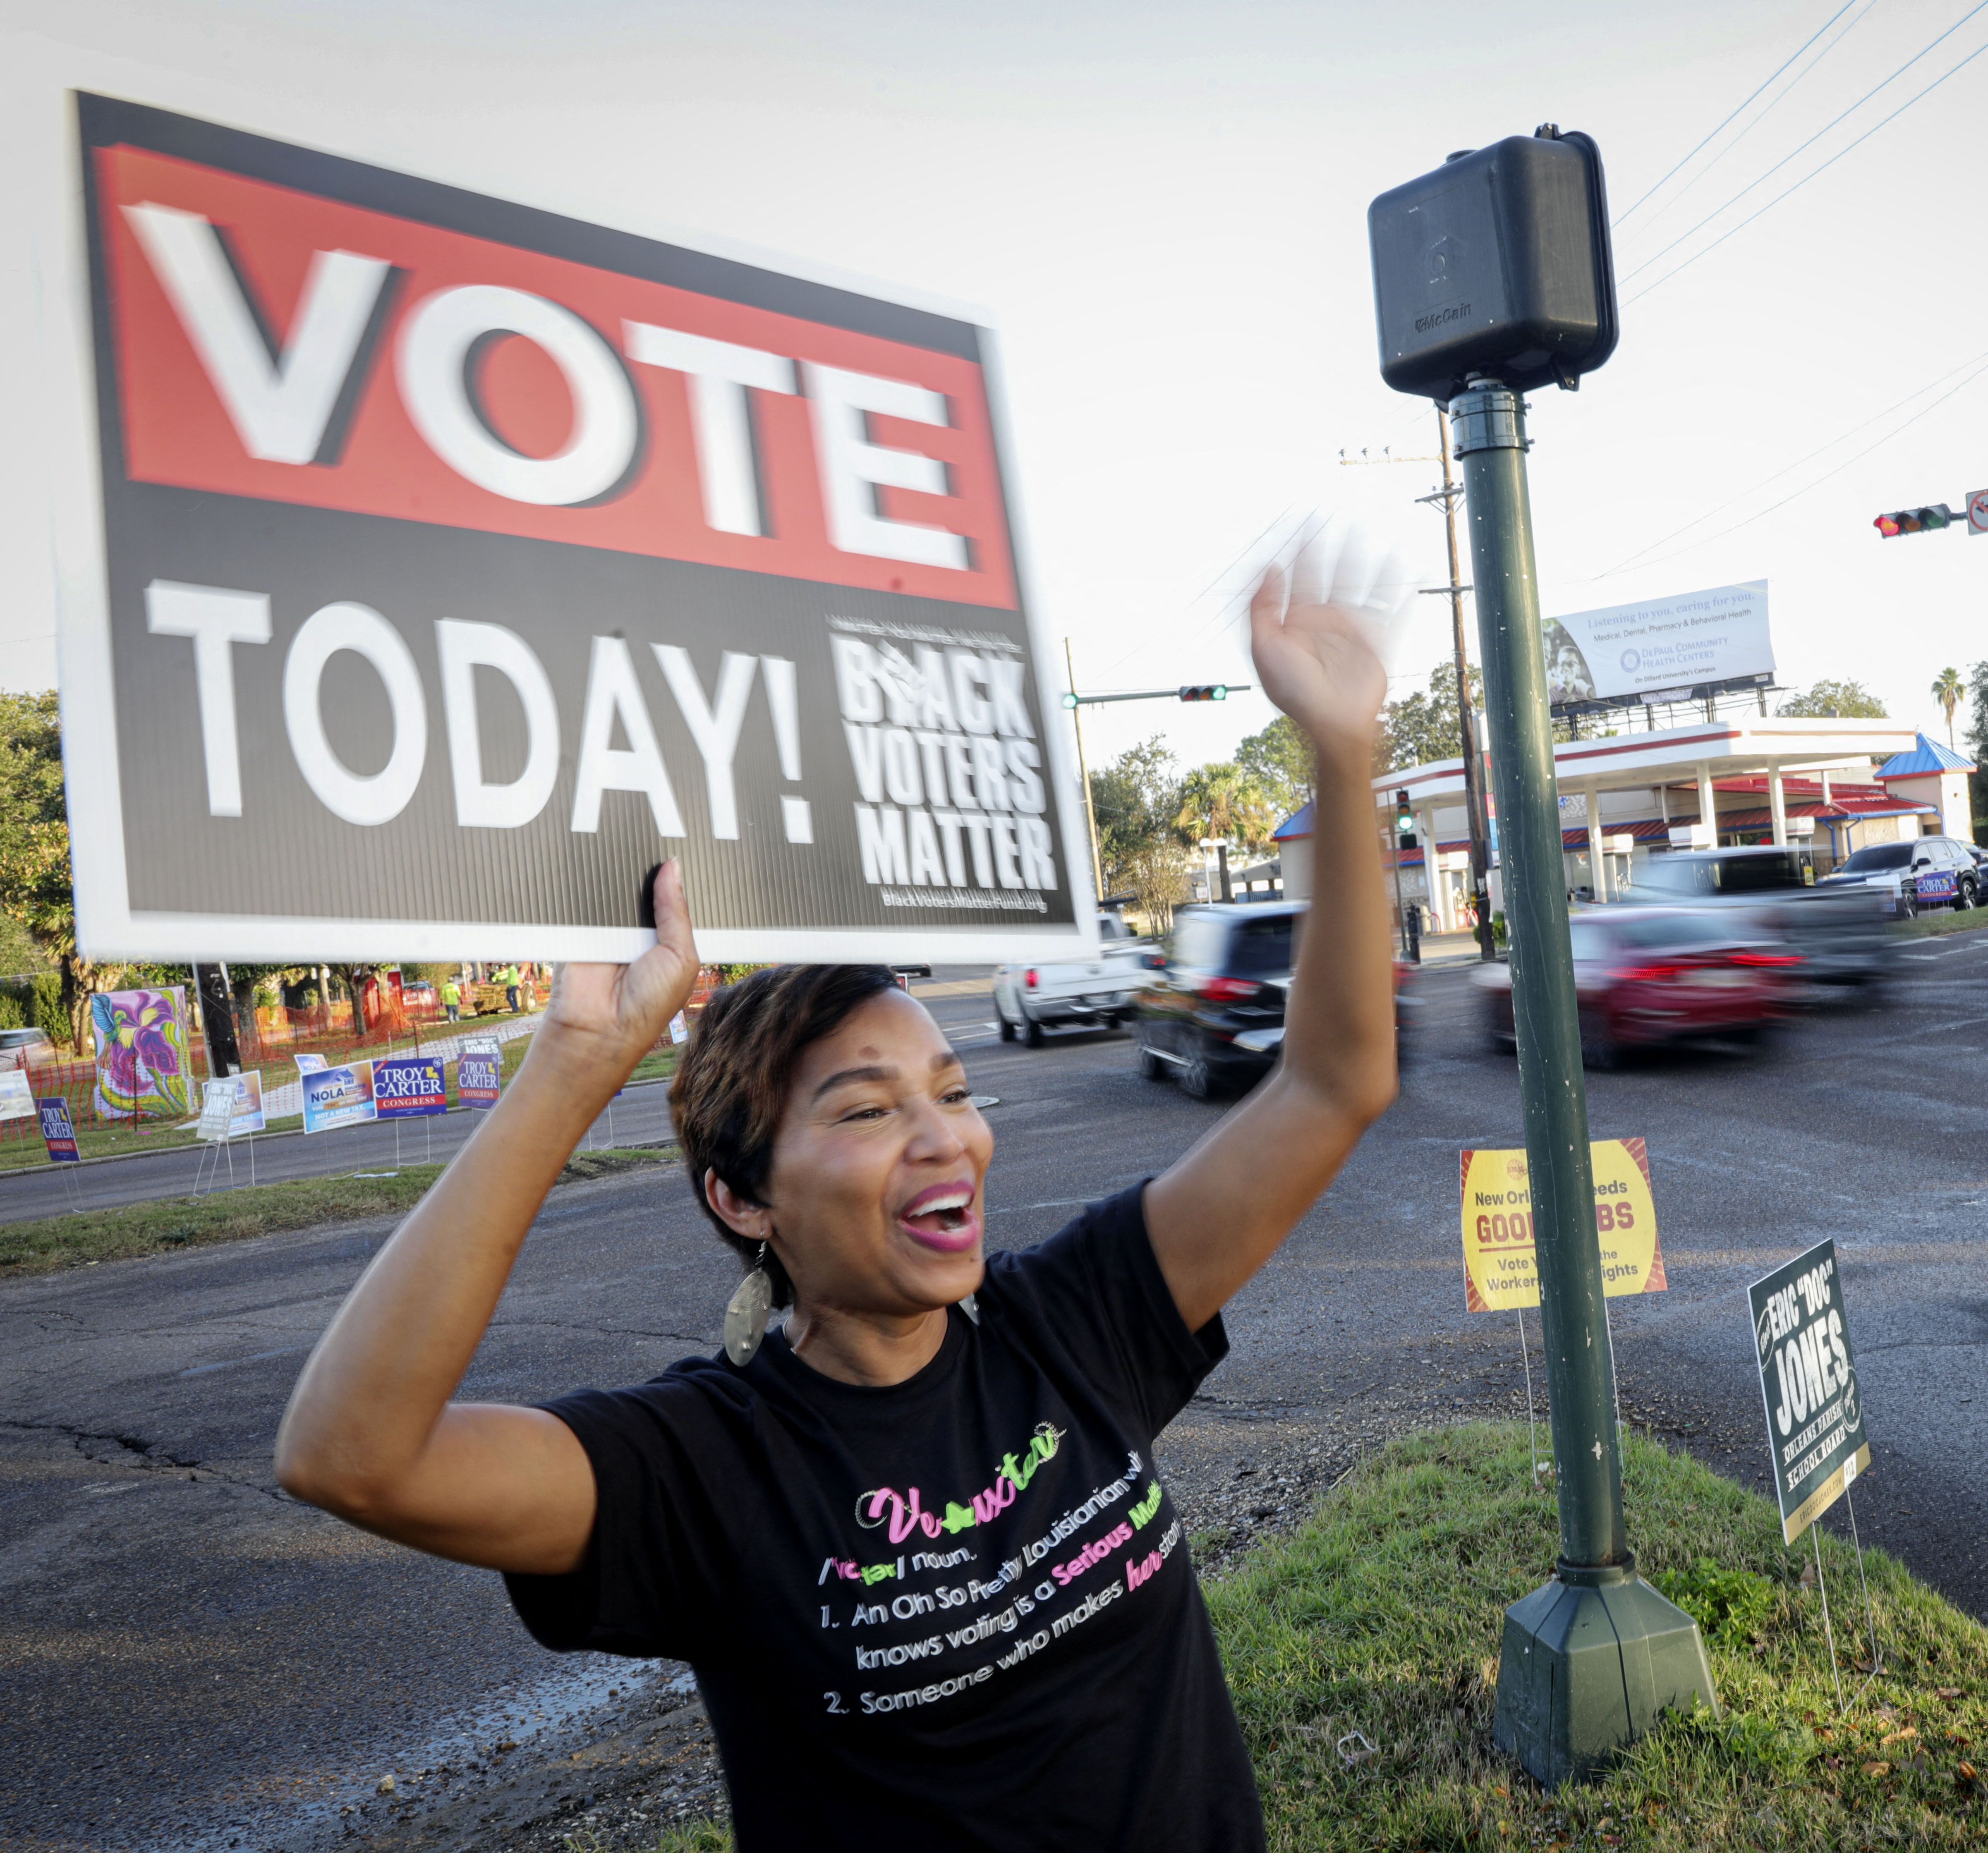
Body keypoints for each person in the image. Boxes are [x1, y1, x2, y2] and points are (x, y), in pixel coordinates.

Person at [274, 557, 1400, 1851]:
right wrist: (576, 1063)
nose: (947, 1139)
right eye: (867, 1110)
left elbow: (1331, 1086)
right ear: (745, 1199)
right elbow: (348, 1454)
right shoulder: (707, 1466)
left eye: (952, 1089)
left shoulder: (1071, 1321)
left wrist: (1343, 752)